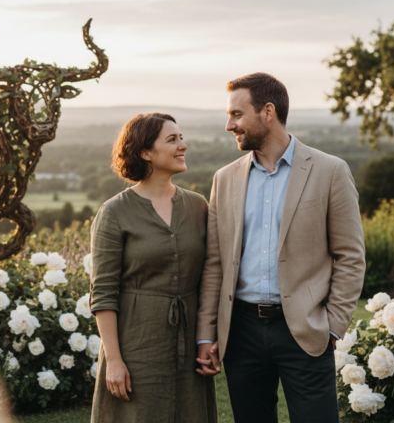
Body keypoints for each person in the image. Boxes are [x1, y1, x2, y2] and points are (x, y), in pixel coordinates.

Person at [193, 73, 365, 423]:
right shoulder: (224, 179)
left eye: (237, 114)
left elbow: (350, 256)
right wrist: (206, 334)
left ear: (267, 112)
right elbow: (215, 264)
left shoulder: (330, 171)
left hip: (305, 330)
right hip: (240, 333)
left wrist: (332, 327)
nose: (229, 125)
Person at [88, 113, 217, 423]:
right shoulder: (114, 212)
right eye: (172, 140)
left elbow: (211, 276)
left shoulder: (198, 206)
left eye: (181, 138)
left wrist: (206, 339)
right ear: (145, 152)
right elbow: (103, 294)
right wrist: (114, 361)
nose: (182, 146)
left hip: (188, 345)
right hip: (137, 343)